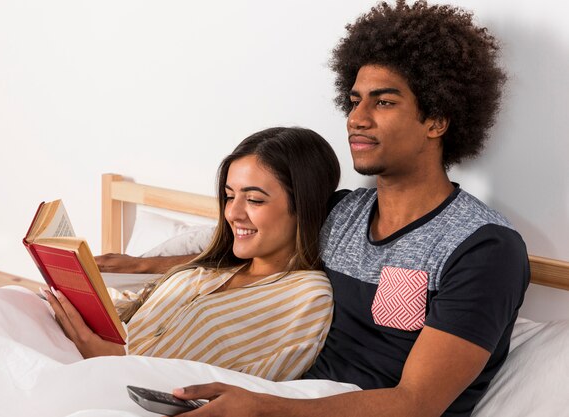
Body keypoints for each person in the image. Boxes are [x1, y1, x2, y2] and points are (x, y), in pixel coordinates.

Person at [99, 1, 529, 416]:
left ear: (437, 120)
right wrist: (140, 266)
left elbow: (415, 404)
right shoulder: (342, 213)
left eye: (383, 101)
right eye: (354, 100)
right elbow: (253, 249)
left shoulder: (484, 248)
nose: (356, 118)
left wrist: (263, 409)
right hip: (291, 397)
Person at [44, 126, 341, 382]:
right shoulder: (208, 269)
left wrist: (115, 363)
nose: (233, 213)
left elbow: (251, 393)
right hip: (83, 358)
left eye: (254, 199)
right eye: (229, 196)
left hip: (118, 388)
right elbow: (136, 313)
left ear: (304, 206)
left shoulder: (308, 296)